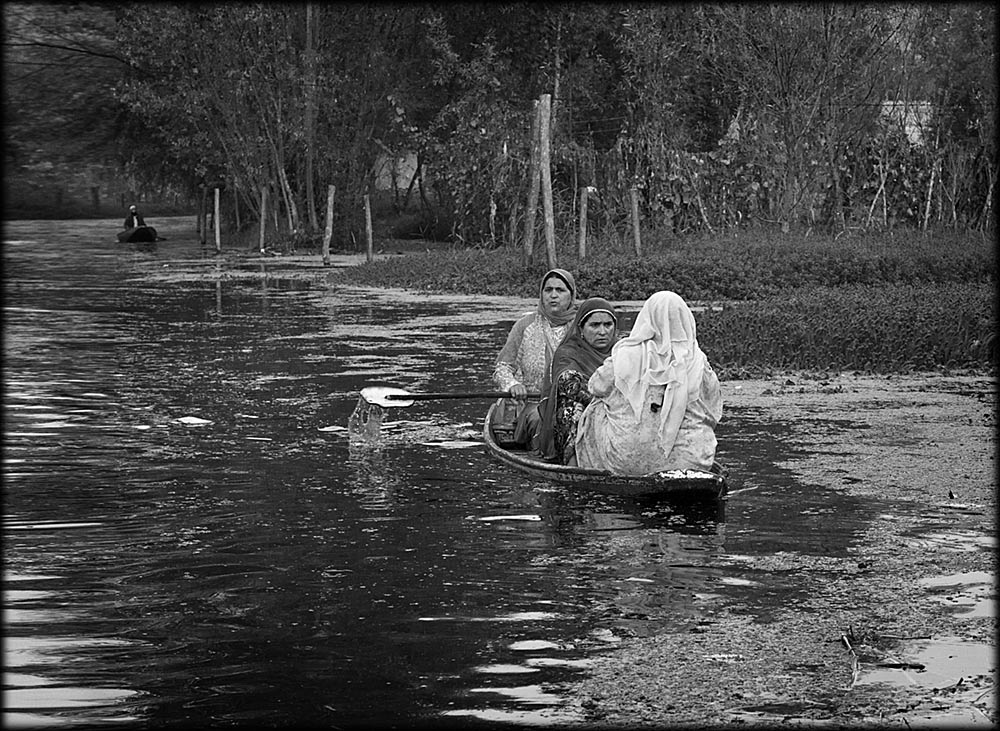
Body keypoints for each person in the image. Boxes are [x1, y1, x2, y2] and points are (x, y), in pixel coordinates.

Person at [575, 290, 722, 475]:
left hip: (626, 462)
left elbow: (595, 386)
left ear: (647, 318)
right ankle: (679, 460)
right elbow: (714, 410)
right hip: (693, 460)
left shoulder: (625, 354)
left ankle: (592, 466)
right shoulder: (699, 362)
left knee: (596, 407)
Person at [492, 268, 578, 448]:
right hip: (533, 403)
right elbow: (503, 367)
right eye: (548, 290)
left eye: (560, 290)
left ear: (571, 295)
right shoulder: (525, 325)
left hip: (574, 402)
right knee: (541, 420)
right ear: (541, 294)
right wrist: (512, 385)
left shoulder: (582, 327)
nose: (553, 295)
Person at [536, 297, 618, 464]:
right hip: (586, 413)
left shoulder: (623, 351)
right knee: (571, 402)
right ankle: (572, 461)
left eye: (607, 325)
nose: (602, 332)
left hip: (615, 416)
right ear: (581, 328)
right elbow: (566, 380)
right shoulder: (568, 352)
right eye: (594, 325)